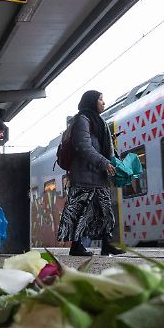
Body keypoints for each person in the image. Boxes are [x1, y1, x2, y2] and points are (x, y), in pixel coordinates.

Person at [57, 90, 125, 257]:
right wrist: (103, 162)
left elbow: (103, 147)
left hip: (98, 177)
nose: (103, 102)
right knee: (79, 211)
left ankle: (107, 245)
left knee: (105, 212)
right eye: (100, 99)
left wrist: (115, 161)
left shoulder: (98, 121)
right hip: (83, 177)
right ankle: (76, 246)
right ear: (91, 101)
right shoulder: (82, 120)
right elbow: (84, 147)